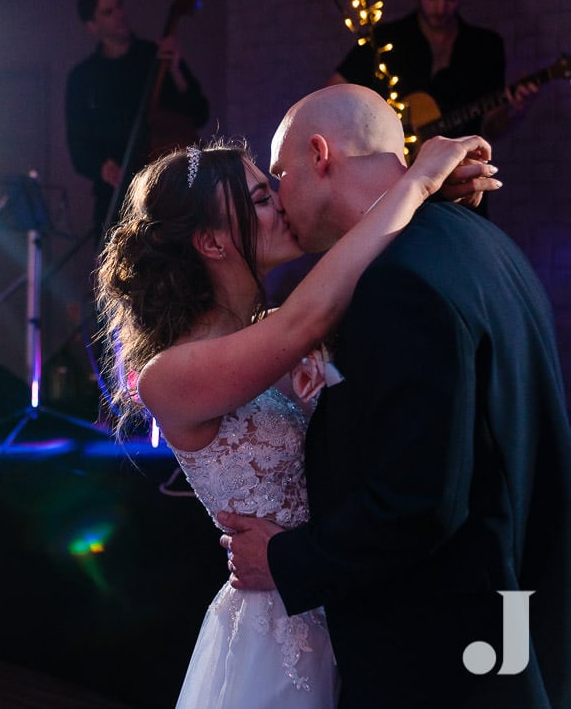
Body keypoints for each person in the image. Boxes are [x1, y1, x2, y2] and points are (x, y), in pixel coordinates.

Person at [96, 131, 498, 707]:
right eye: (260, 199)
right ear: (211, 242)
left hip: (343, 591)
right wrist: (418, 180)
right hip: (279, 623)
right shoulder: (169, 375)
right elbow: (309, 316)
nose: (281, 203)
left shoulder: (278, 334)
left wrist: (427, 202)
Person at [221, 83, 571, 708]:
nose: (276, 200)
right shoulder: (481, 242)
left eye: (279, 176)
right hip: (514, 621)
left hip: (441, 656)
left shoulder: (398, 283)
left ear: (320, 154)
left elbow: (418, 502)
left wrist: (287, 561)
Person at [328, 0, 535, 219]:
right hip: (393, 189)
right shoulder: (386, 39)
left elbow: (492, 128)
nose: (440, 8)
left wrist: (515, 109)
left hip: (461, 190)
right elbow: (332, 97)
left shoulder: (485, 46)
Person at [66, 0, 210, 239]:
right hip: (115, 197)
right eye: (108, 12)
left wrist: (176, 69)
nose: (119, 15)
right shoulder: (82, 78)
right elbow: (78, 147)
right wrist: (102, 168)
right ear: (92, 26)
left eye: (119, 6)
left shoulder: (155, 56)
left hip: (167, 193)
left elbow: (199, 113)